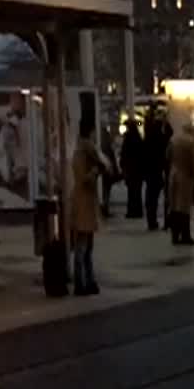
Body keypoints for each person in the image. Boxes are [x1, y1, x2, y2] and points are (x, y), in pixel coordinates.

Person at [70, 119, 103, 296]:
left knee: (87, 246)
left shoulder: (81, 152)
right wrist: (95, 172)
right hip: (83, 203)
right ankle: (80, 283)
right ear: (89, 132)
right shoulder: (83, 154)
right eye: (93, 133)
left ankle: (88, 281)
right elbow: (84, 179)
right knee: (82, 246)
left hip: (84, 203)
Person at [167, 123, 194, 245]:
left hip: (173, 174)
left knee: (174, 206)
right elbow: (192, 161)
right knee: (184, 207)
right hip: (185, 177)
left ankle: (174, 236)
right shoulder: (191, 142)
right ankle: (185, 235)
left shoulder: (173, 140)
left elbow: (167, 156)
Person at [143, 115, 168, 231]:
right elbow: (170, 134)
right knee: (156, 197)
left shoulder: (148, 137)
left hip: (149, 171)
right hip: (158, 171)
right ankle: (155, 221)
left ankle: (151, 220)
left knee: (150, 197)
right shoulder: (161, 138)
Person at [120, 119, 144, 218]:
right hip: (138, 169)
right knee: (137, 191)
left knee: (131, 191)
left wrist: (123, 165)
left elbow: (124, 153)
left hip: (130, 168)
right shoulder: (138, 138)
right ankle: (138, 211)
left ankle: (132, 211)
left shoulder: (128, 137)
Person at [98, 123, 120, 218]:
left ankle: (105, 207)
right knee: (106, 190)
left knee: (105, 190)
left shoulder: (102, 145)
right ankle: (105, 207)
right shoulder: (107, 146)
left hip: (105, 171)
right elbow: (112, 159)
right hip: (107, 171)